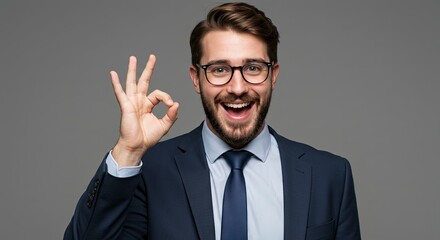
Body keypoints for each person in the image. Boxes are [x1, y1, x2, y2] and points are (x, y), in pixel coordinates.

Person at [64, 2, 360, 240]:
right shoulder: (150, 172)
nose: (237, 87)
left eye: (253, 68)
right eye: (219, 70)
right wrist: (127, 152)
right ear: (196, 78)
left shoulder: (330, 175)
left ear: (273, 76)